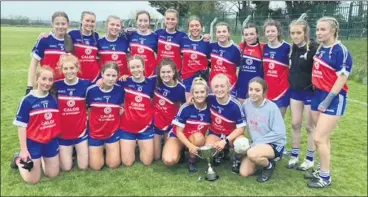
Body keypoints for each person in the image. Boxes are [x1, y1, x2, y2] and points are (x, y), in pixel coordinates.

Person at [307, 16, 353, 188]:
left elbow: (341, 79)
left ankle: (325, 177)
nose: (319, 32)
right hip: (317, 95)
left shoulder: (340, 50)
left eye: (323, 29)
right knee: (323, 138)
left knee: (318, 138)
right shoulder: (320, 49)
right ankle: (322, 168)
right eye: (317, 29)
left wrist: (327, 100)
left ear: (333, 30)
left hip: (333, 99)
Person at [12, 66, 61, 184]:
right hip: (33, 142)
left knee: (53, 175)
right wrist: (24, 149)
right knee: (33, 180)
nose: (47, 83)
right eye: (44, 79)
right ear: (37, 79)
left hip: (50, 141)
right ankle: (19, 159)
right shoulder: (27, 100)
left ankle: (42, 160)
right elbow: (21, 126)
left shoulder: (54, 98)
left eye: (50, 80)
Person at [239, 77, 286, 183]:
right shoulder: (246, 104)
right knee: (244, 172)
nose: (253, 93)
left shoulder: (272, 107)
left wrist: (256, 143)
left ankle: (269, 166)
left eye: (257, 90)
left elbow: (279, 132)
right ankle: (260, 159)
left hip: (274, 144)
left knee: (252, 153)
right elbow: (239, 120)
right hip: (256, 145)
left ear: (264, 92)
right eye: (250, 89)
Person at [287, 19, 318, 171]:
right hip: (295, 91)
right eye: (292, 33)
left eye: (299, 32)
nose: (295, 36)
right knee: (295, 124)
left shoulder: (313, 48)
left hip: (309, 92)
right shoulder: (292, 48)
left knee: (309, 126)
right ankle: (294, 155)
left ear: (305, 33)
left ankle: (310, 158)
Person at [162, 77, 211, 172]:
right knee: (169, 160)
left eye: (202, 92)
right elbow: (179, 132)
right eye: (196, 92)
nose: (199, 95)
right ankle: (181, 151)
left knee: (198, 138)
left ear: (207, 93)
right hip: (178, 136)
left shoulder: (211, 107)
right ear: (192, 94)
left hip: (195, 137)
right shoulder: (185, 107)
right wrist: (190, 146)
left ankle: (192, 160)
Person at [54, 54, 90, 171]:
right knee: (66, 168)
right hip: (63, 133)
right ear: (61, 70)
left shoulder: (86, 84)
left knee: (83, 166)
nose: (69, 71)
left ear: (77, 68)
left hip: (81, 131)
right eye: (65, 68)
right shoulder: (56, 86)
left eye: (72, 68)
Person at [118, 55, 156, 167]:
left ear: (143, 66)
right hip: (127, 127)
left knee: (147, 162)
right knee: (127, 162)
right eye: (132, 67)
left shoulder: (152, 82)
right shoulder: (124, 81)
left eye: (138, 66)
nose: (136, 70)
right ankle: (132, 144)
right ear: (129, 69)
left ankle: (140, 144)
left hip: (146, 127)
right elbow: (108, 85)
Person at [86, 62, 124, 170]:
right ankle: (100, 149)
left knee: (113, 164)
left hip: (112, 131)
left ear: (117, 76)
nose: (110, 78)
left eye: (113, 76)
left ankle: (109, 149)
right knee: (96, 166)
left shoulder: (120, 90)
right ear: (102, 74)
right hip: (95, 132)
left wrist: (122, 108)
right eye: (108, 75)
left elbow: (123, 104)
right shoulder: (91, 90)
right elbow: (86, 107)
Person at [206, 74, 247, 173]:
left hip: (231, 135)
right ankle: (221, 153)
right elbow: (197, 98)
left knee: (243, 145)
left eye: (222, 86)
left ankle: (236, 160)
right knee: (208, 147)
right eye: (216, 86)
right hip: (215, 133)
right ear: (212, 88)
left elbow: (241, 128)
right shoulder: (210, 98)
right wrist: (191, 100)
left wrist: (225, 141)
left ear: (228, 87)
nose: (219, 89)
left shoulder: (235, 105)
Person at [26, 11, 69, 94]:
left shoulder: (71, 40)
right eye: (57, 23)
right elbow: (33, 64)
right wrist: (30, 86)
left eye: (63, 24)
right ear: (52, 24)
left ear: (68, 24)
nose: (60, 26)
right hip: (46, 85)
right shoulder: (44, 40)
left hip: (65, 86)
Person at [152, 58, 186, 161]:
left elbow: (185, 107)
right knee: (156, 157)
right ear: (159, 72)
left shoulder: (181, 88)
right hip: (156, 122)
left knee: (168, 154)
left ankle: (181, 148)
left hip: (170, 123)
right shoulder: (154, 81)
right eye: (163, 72)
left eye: (168, 72)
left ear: (174, 72)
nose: (165, 75)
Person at [262, 19, 291, 118]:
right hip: (267, 90)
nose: (270, 34)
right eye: (268, 31)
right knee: (266, 121)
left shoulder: (287, 48)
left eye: (273, 31)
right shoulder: (263, 48)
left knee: (278, 122)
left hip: (282, 91)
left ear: (278, 32)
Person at [181, 16, 211, 101]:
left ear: (201, 27)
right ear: (188, 28)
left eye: (197, 25)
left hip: (202, 78)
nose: (194, 28)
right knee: (189, 103)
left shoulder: (206, 42)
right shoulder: (183, 40)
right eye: (192, 26)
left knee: (202, 103)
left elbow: (210, 61)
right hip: (187, 78)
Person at [209, 22, 241, 97]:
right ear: (215, 34)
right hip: (214, 84)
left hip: (230, 86)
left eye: (224, 31)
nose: (221, 34)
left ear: (229, 33)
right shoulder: (212, 46)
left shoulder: (235, 49)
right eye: (219, 32)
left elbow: (238, 68)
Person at [236, 23, 265, 103]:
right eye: (246, 34)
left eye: (252, 34)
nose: (249, 37)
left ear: (257, 34)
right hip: (242, 86)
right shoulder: (240, 47)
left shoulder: (264, 47)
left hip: (258, 86)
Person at [68, 11, 100, 82]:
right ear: (81, 21)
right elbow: (58, 38)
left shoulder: (97, 36)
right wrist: (47, 34)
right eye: (87, 20)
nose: (90, 23)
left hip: (94, 75)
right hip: (77, 74)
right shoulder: (72, 34)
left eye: (92, 21)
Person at [155, 8, 186, 73]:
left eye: (173, 19)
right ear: (164, 19)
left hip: (175, 72)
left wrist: (204, 38)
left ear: (177, 20)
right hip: (160, 71)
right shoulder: (158, 33)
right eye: (168, 19)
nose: (170, 21)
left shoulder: (182, 36)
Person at [128, 10, 158, 77]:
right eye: (140, 20)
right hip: (134, 73)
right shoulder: (130, 35)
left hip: (150, 74)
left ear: (149, 22)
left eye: (145, 21)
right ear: (136, 21)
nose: (143, 23)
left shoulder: (155, 36)